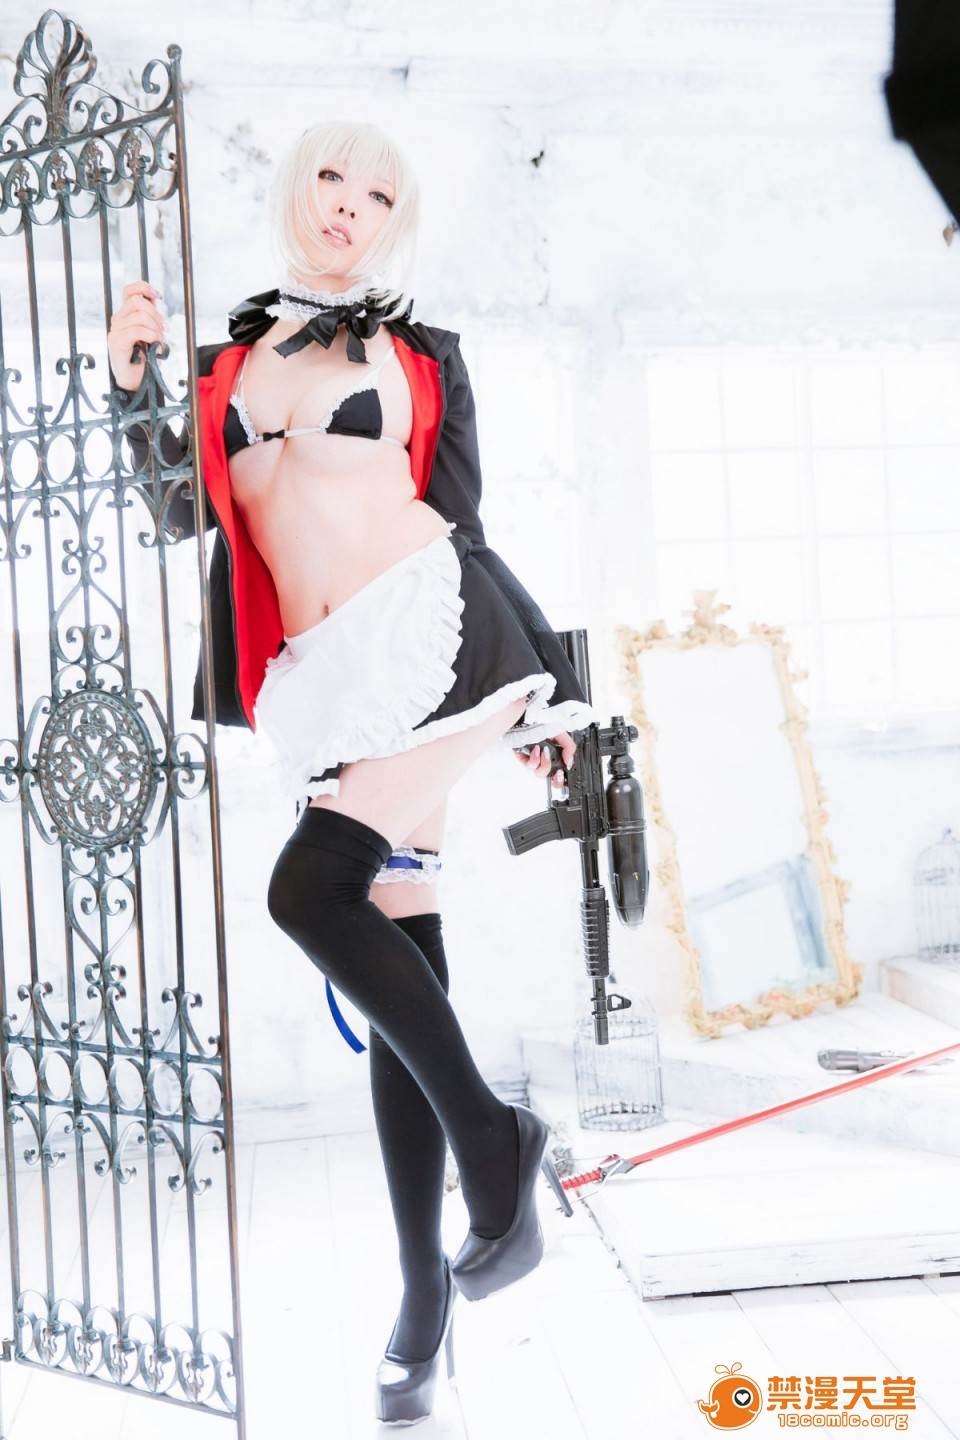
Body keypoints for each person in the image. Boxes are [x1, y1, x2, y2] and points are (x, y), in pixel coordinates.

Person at [107, 118, 594, 1424]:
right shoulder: (225, 364)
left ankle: (494, 1143)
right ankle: (424, 1308)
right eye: (332, 177)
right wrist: (134, 380)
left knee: (307, 891)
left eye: (379, 193)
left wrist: (553, 686)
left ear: (393, 223)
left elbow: (466, 523)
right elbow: (180, 509)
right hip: (326, 683)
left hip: (432, 636)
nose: (349, 205)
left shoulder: (422, 354)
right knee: (396, 959)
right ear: (294, 189)